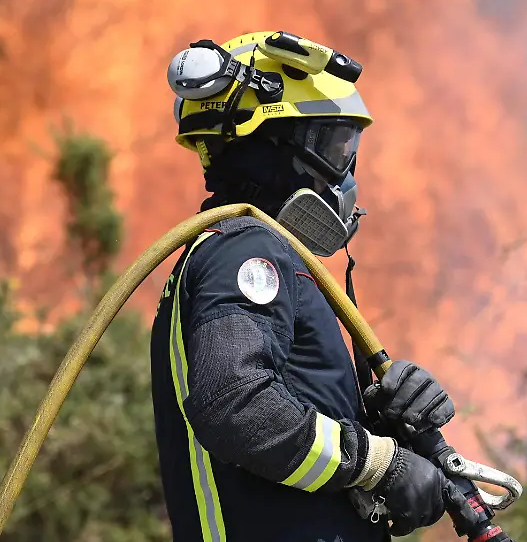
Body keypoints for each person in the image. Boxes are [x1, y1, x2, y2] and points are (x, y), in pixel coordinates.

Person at [151, 31, 463, 542]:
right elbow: (236, 403)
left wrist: (385, 424)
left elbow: (294, 441)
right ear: (278, 148)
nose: (346, 177)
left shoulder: (266, 257)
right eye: (337, 147)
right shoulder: (244, 250)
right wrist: (378, 462)